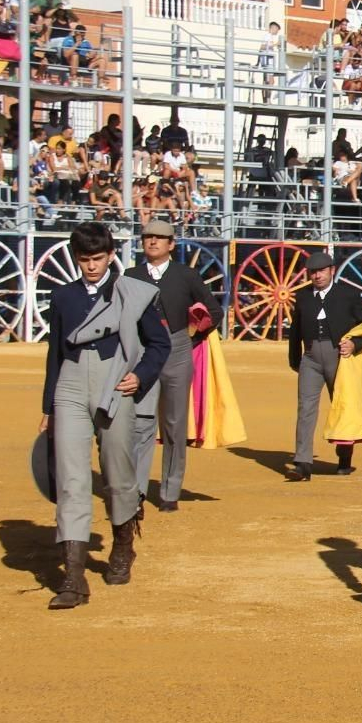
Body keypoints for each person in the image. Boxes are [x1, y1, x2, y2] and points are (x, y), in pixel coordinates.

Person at [39, 221, 171, 610]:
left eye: (98, 258)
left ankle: (123, 546)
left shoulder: (133, 292)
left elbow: (159, 345)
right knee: (71, 479)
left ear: (111, 255)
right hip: (71, 383)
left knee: (117, 474)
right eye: (84, 259)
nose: (91, 266)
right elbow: (55, 355)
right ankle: (74, 578)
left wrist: (140, 376)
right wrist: (48, 407)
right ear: (76, 258)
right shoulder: (63, 296)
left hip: (116, 381)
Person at [127, 219, 222, 512]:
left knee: (174, 423)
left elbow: (214, 311)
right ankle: (136, 492)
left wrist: (193, 337)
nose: (152, 241)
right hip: (143, 349)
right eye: (148, 237)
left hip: (178, 346)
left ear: (171, 245)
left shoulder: (186, 275)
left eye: (159, 238)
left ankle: (169, 491)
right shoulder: (130, 276)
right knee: (141, 422)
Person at [286, 252, 362, 481]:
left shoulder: (348, 294)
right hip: (311, 358)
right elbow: (295, 331)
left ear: (332, 270)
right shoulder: (303, 297)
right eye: (313, 272)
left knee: (343, 407)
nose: (317, 276)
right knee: (305, 409)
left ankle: (344, 456)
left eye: (321, 271)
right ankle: (303, 463)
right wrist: (295, 359)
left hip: (340, 359)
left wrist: (355, 344)